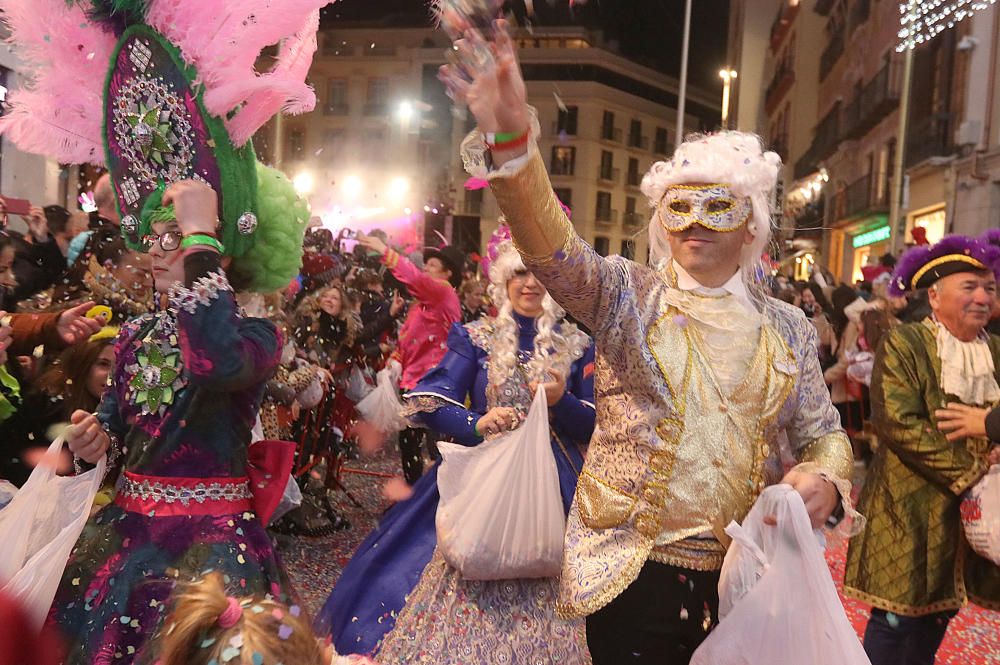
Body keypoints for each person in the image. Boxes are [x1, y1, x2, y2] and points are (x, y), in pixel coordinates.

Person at [439, 18, 857, 664]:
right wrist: (513, 146)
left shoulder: (789, 328)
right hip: (630, 569)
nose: (694, 221)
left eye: (717, 206)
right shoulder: (626, 294)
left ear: (752, 224)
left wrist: (825, 475)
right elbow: (557, 257)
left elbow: (823, 430)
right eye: (679, 206)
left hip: (741, 571)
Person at [0, 3, 322, 661]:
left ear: (219, 245)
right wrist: (99, 437)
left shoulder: (256, 334)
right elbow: (124, 425)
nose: (159, 250)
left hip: (214, 557)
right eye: (154, 237)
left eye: (178, 236)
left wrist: (203, 237)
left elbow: (212, 360)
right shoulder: (136, 335)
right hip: (126, 546)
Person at [316, 227, 595, 662]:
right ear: (503, 280)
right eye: (520, 271)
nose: (530, 283)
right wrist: (475, 421)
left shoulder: (579, 344)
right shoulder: (475, 337)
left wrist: (562, 403)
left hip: (558, 492)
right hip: (480, 482)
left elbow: (600, 425)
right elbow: (431, 398)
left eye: (540, 271)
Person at [845, 235, 1000, 665]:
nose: (983, 297)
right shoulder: (905, 343)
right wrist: (971, 469)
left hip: (969, 518)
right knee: (895, 623)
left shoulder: (997, 351)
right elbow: (900, 422)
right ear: (934, 295)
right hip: (908, 508)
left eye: (989, 287)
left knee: (940, 615)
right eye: (969, 287)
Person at [354, 232, 462, 485]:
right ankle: (416, 498)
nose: (426, 269)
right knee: (409, 444)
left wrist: (386, 251)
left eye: (433, 266)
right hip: (413, 384)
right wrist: (395, 358)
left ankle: (435, 501)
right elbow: (406, 339)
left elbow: (414, 277)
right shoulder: (421, 305)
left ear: (448, 275)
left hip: (433, 384)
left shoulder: (443, 293)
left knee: (437, 447)